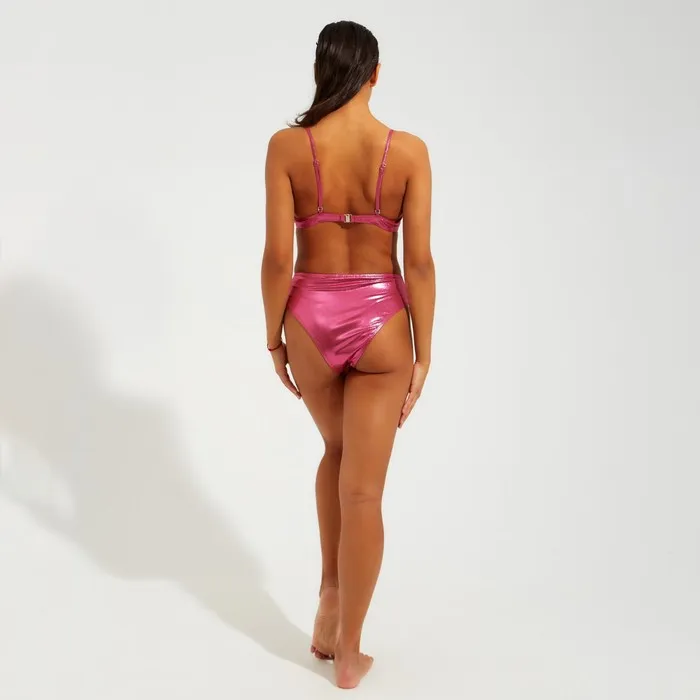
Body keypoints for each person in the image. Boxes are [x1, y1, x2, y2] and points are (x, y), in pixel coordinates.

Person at [260, 20, 435, 689]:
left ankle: (331, 594)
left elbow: (278, 258)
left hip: (309, 318)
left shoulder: (287, 147)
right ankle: (351, 653)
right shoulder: (408, 152)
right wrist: (424, 352)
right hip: (383, 322)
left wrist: (274, 336)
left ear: (320, 70)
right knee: (363, 489)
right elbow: (418, 263)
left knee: (336, 453)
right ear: (376, 73)